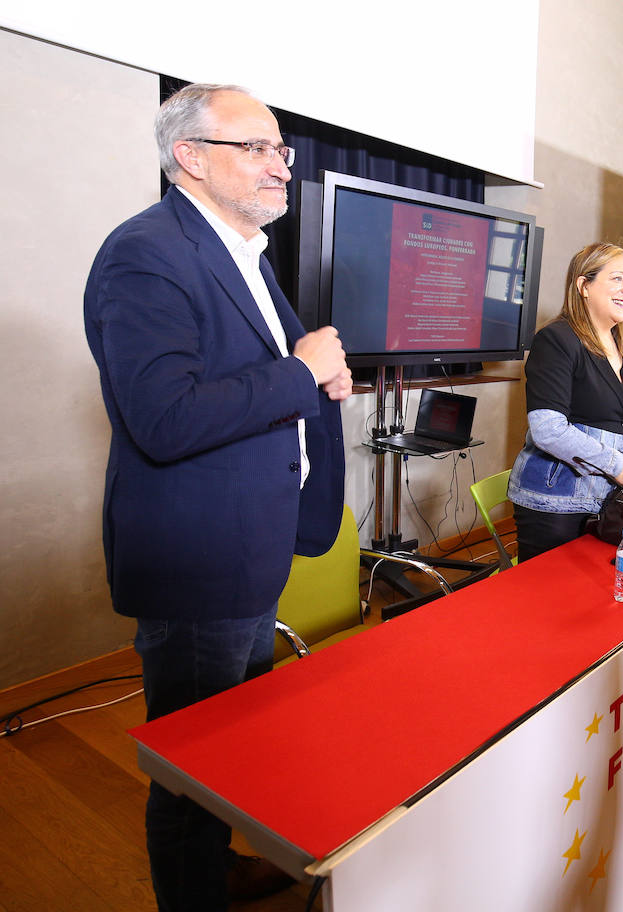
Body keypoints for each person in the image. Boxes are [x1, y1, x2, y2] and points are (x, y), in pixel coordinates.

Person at [83, 83, 351, 911]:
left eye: (282, 151)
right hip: (200, 560)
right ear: (189, 158)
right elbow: (164, 419)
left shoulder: (242, 251)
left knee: (234, 747)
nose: (282, 167)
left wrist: (315, 377)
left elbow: (261, 382)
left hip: (254, 544)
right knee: (191, 773)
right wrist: (301, 371)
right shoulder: (146, 253)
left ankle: (218, 864)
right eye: (259, 149)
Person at [508, 243, 623, 560]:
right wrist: (619, 467)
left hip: (603, 499)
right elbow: (548, 430)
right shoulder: (556, 339)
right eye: (617, 279)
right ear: (584, 285)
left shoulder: (620, 348)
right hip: (554, 505)